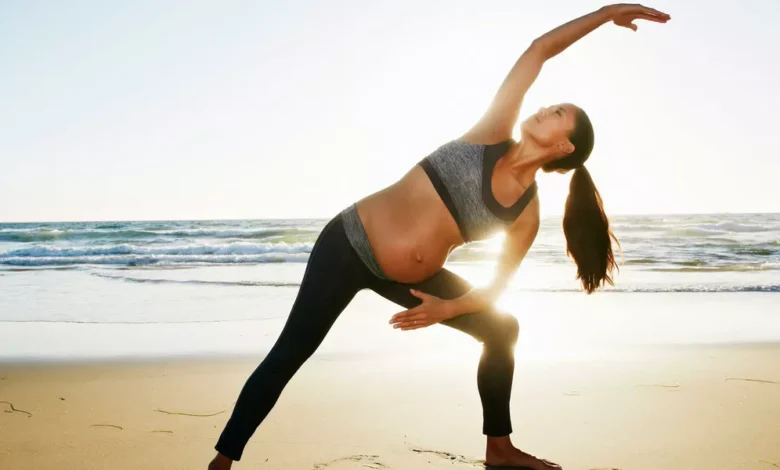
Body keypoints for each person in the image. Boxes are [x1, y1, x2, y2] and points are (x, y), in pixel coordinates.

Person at [208, 4, 670, 469]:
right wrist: (609, 11)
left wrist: (446, 308)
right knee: (291, 351)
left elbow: (495, 288)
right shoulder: (491, 133)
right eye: (549, 105)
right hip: (347, 243)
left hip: (408, 281)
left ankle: (499, 449)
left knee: (503, 329)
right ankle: (223, 462)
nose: (543, 109)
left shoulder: (526, 213)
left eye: (557, 113)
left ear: (564, 146)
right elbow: (539, 50)